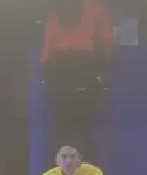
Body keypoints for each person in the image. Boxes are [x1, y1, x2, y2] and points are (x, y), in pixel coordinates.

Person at [40, 0, 113, 165]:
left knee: (60, 129)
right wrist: (101, 71)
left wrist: (49, 75)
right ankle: (84, 174)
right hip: (85, 71)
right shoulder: (96, 9)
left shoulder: (55, 10)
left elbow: (46, 51)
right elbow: (106, 43)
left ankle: (58, 174)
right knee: (84, 129)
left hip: (58, 72)